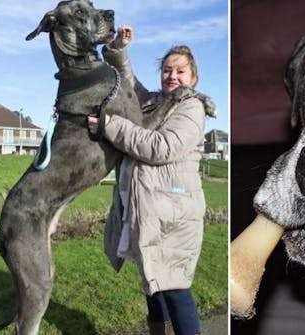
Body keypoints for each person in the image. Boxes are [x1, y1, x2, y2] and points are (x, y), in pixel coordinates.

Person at [87, 26, 216, 335]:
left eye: (180, 71)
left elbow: (161, 148)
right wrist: (119, 49)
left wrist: (109, 125)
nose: (172, 76)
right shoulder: (154, 103)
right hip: (149, 208)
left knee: (174, 288)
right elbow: (129, 82)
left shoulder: (191, 107)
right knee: (153, 281)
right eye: (167, 70)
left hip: (173, 214)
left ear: (193, 78)